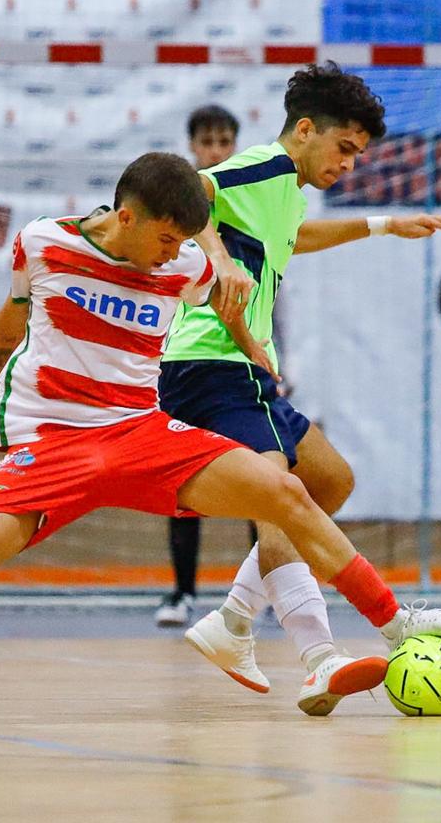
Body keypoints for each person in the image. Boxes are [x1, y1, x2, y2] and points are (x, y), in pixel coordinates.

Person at [0, 152, 441, 720]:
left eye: (183, 242)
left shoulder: (184, 264)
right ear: (126, 215)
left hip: (142, 432)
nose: (172, 253)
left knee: (285, 490)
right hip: (54, 443)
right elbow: (11, 323)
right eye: (165, 237)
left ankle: (394, 626)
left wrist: (250, 344)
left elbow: (222, 291)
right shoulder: (45, 243)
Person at [168, 62, 441, 715]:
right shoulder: (263, 168)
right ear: (305, 130)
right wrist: (215, 258)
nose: (350, 166)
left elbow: (291, 240)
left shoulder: (285, 194)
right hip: (207, 362)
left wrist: (383, 224)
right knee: (283, 497)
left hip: (244, 368)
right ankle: (318, 658)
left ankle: (234, 620)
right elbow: (183, 187)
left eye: (358, 156)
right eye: (345, 150)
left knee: (329, 481)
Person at [155, 103, 244, 628]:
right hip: (186, 362)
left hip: (240, 363)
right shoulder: (178, 216)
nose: (215, 150)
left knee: (268, 474)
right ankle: (182, 592)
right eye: (207, 142)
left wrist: (281, 353)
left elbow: (274, 289)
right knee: (183, 483)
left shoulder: (250, 205)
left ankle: (262, 596)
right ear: (193, 147)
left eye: (224, 141)